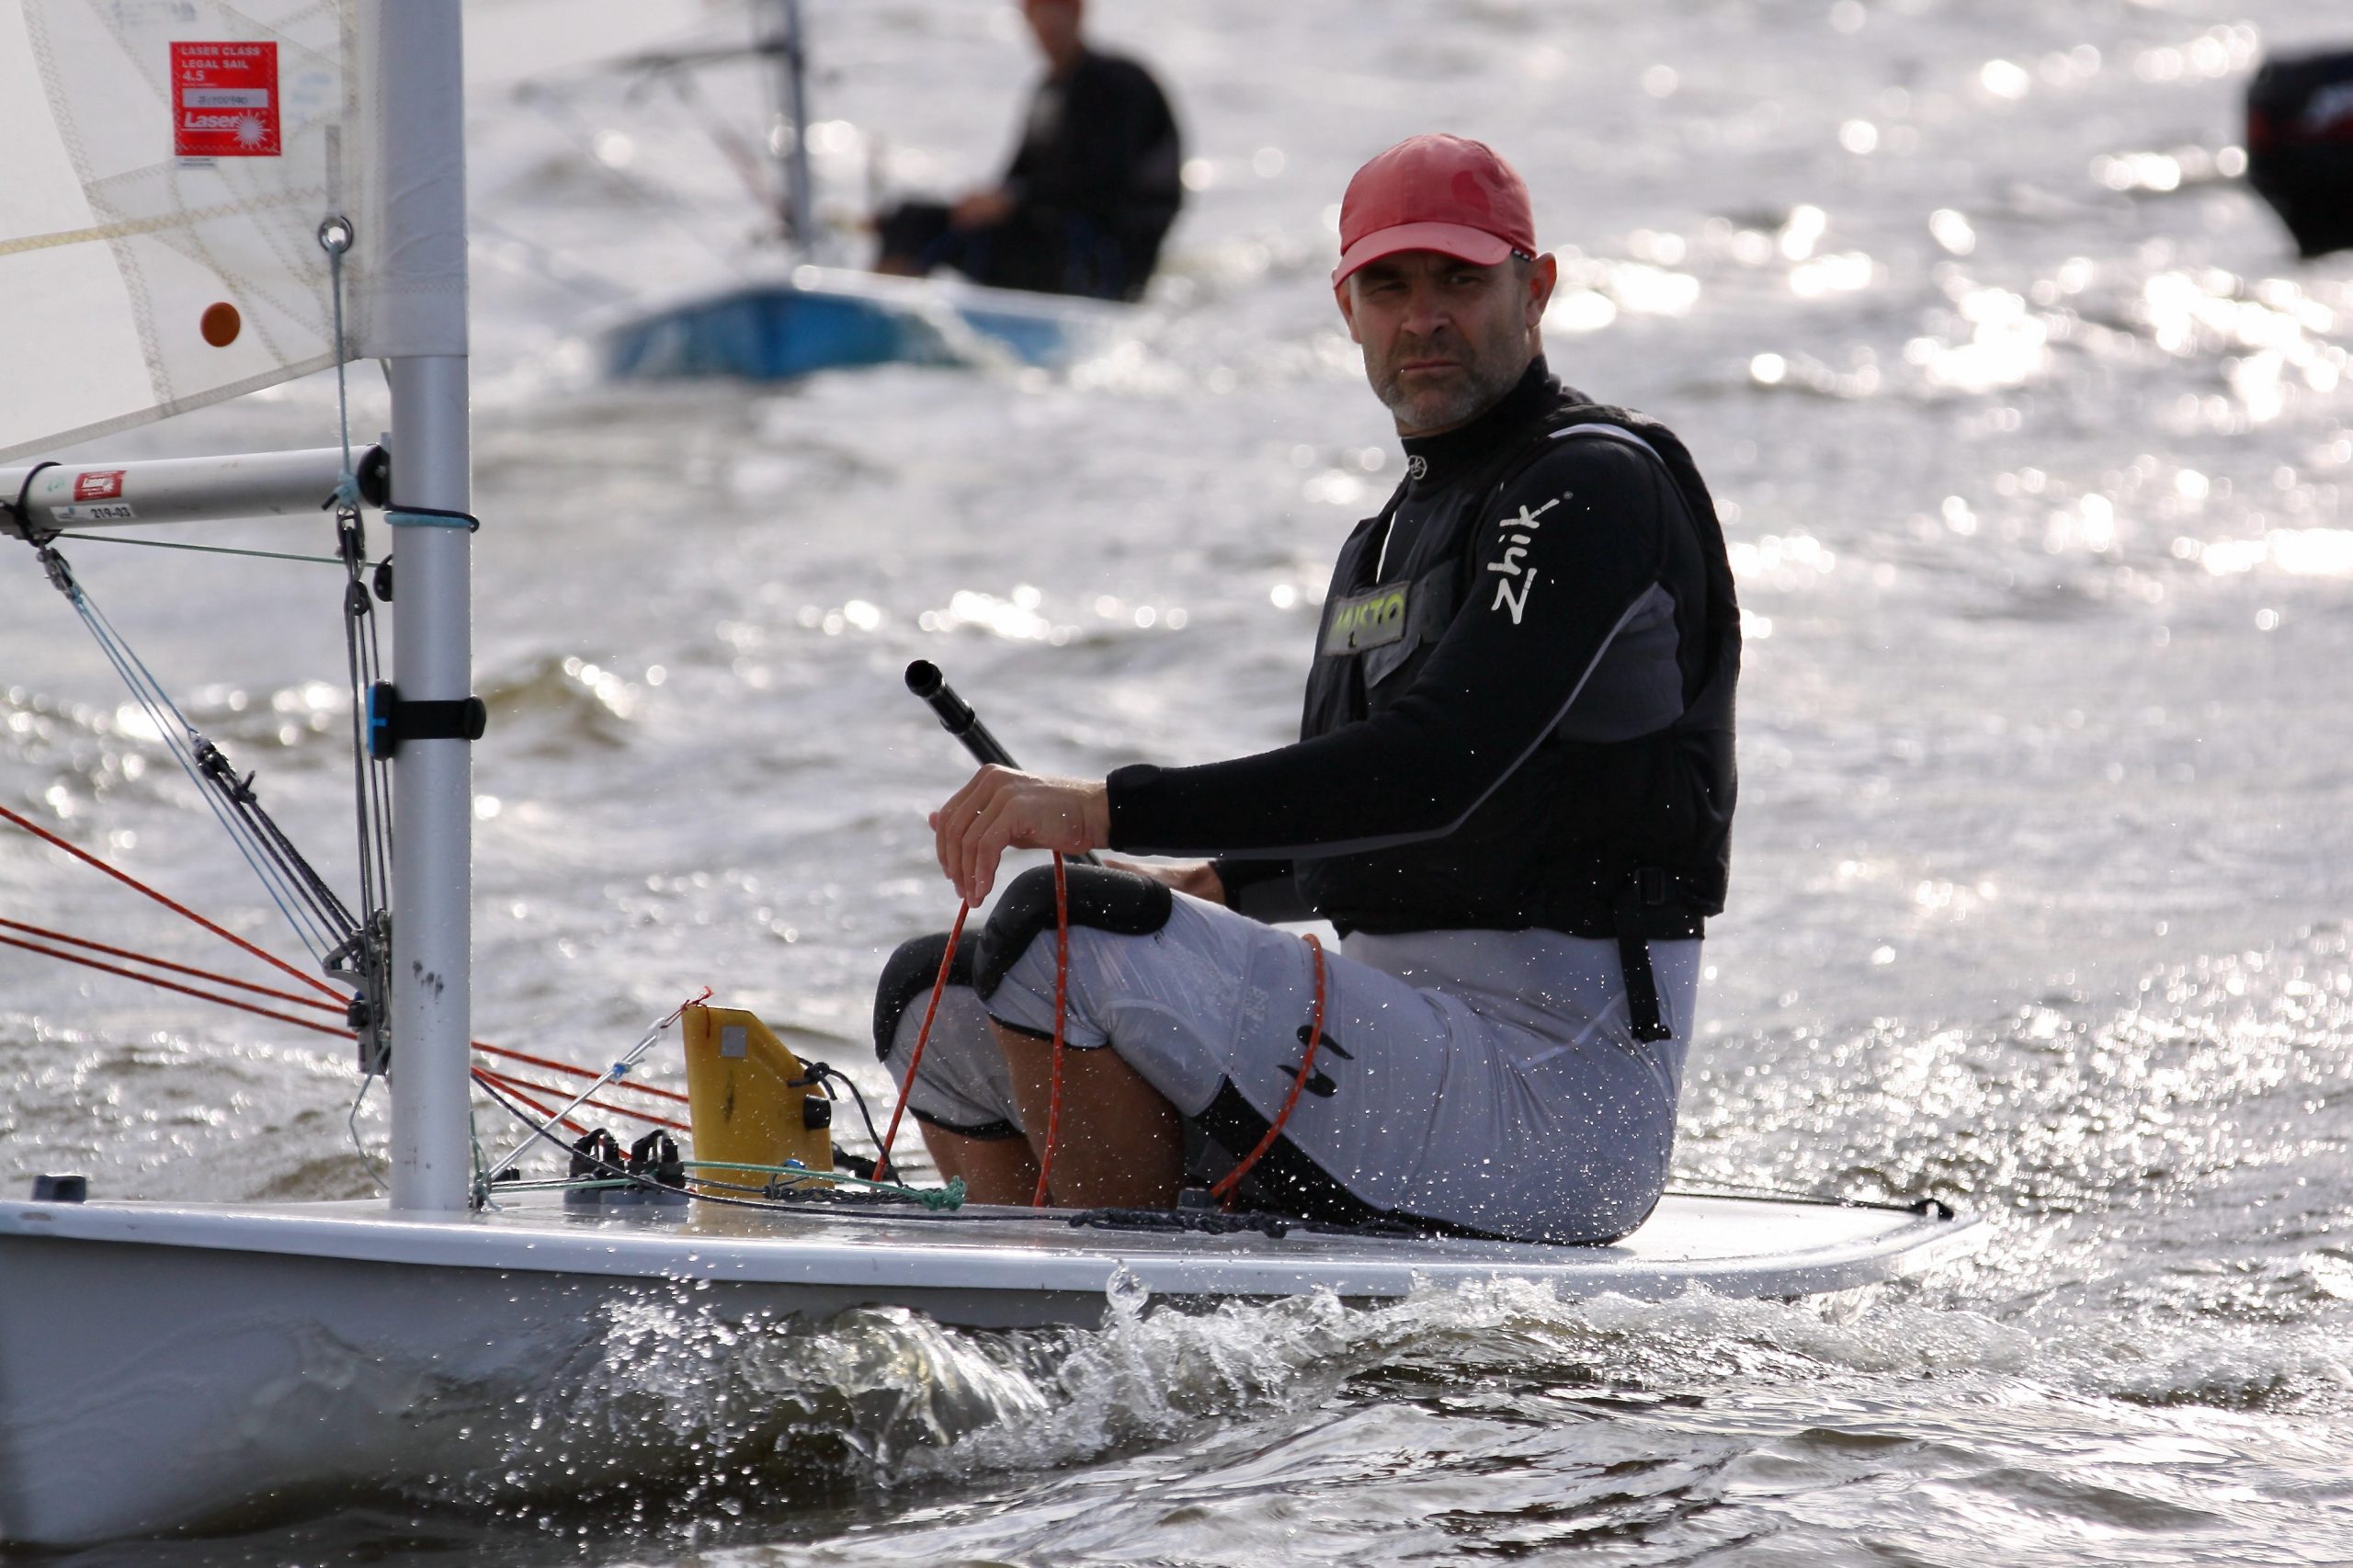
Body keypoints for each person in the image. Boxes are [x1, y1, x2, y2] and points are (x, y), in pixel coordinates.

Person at [873, 134, 1740, 1244]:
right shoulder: (1377, 546)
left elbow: (1438, 768)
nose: (1422, 316)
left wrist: (1102, 810)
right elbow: (1356, 825)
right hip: (1411, 1044)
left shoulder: (1591, 486)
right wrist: (1205, 884)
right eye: (1390, 286)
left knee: (1058, 928)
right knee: (932, 993)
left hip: (1560, 1092)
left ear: (1536, 290)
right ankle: (1027, 1296)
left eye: (1459, 281)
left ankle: (1095, 1303)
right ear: (1347, 310)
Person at [872, 0, 1182, 302]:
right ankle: (886, 304)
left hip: (1101, 258)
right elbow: (1017, 177)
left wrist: (1015, 199)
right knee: (907, 218)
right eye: (1038, 11)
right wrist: (983, 203)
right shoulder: (1052, 88)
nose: (1048, 22)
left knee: (918, 224)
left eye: (1058, 9)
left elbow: (1105, 181)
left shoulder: (1119, 82)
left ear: (1078, 11)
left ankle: (882, 314)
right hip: (1053, 239)